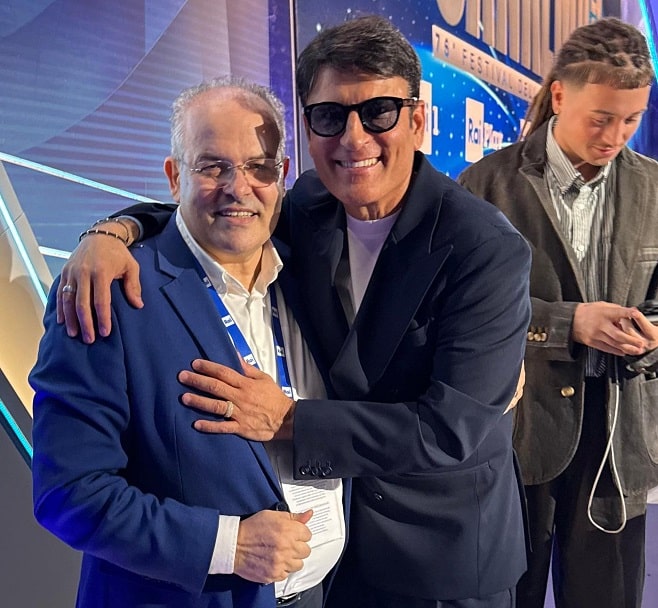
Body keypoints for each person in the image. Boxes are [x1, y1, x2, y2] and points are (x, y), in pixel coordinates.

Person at [55, 16, 531, 608]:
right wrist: (111, 231)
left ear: (417, 121)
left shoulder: (485, 247)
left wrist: (286, 420)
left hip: (442, 559)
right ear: (308, 132)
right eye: (330, 116)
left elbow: (447, 431)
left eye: (378, 112)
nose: (354, 138)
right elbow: (211, 209)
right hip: (333, 570)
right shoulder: (305, 207)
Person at [30, 76, 347, 608]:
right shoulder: (107, 292)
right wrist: (228, 546)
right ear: (175, 176)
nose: (238, 187)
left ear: (283, 175)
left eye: (258, 166)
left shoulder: (311, 278)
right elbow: (69, 492)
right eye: (212, 166)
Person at [457, 17, 658, 608]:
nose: (615, 135)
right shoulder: (485, 185)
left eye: (632, 119)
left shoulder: (655, 190)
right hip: (517, 436)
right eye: (601, 117)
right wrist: (568, 324)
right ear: (561, 95)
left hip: (620, 442)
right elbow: (458, 313)